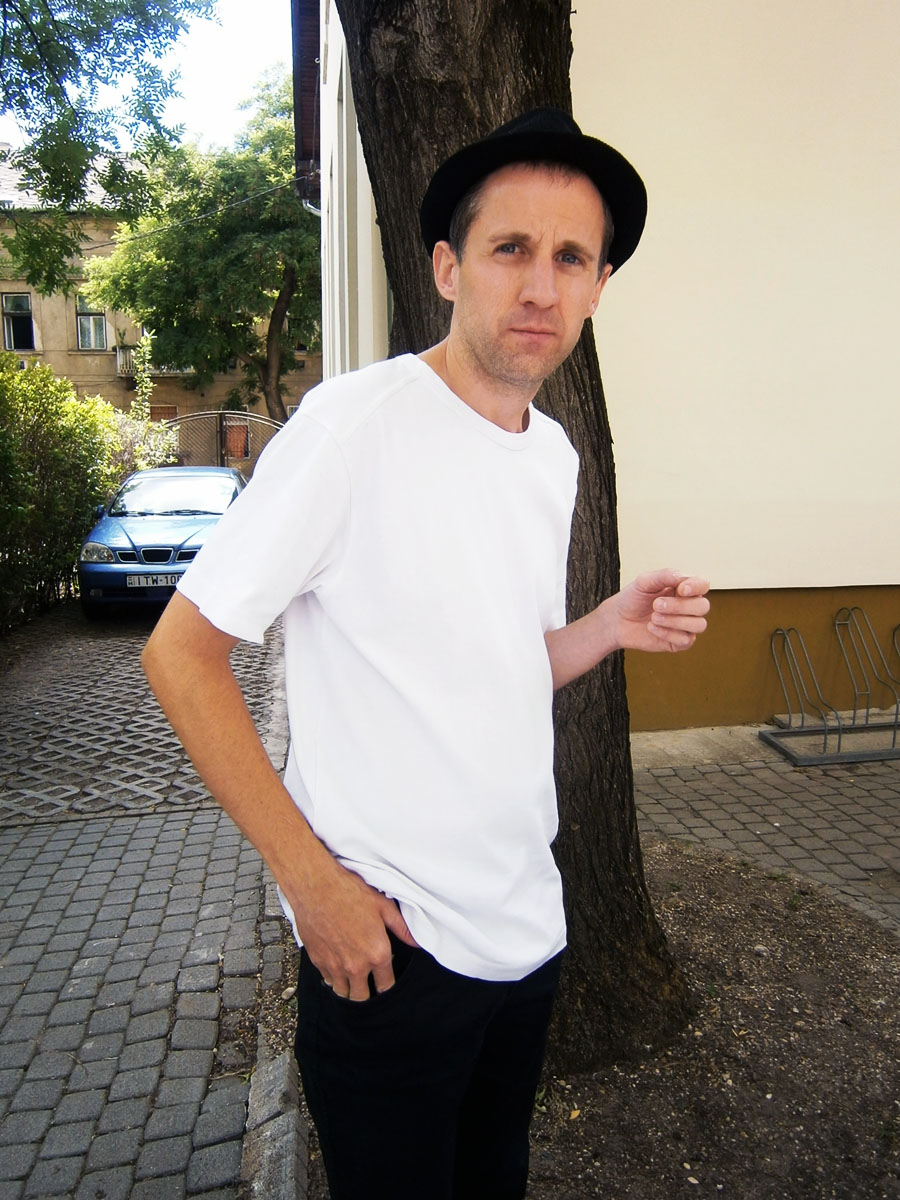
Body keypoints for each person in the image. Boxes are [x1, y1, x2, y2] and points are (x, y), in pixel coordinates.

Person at [142, 106, 710, 1199]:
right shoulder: (352, 429)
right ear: (449, 269)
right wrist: (311, 884)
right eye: (510, 248)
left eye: (571, 258)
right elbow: (180, 656)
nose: (539, 286)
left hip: (525, 929)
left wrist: (607, 627)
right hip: (390, 947)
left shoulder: (551, 454)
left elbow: (496, 666)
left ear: (598, 288)